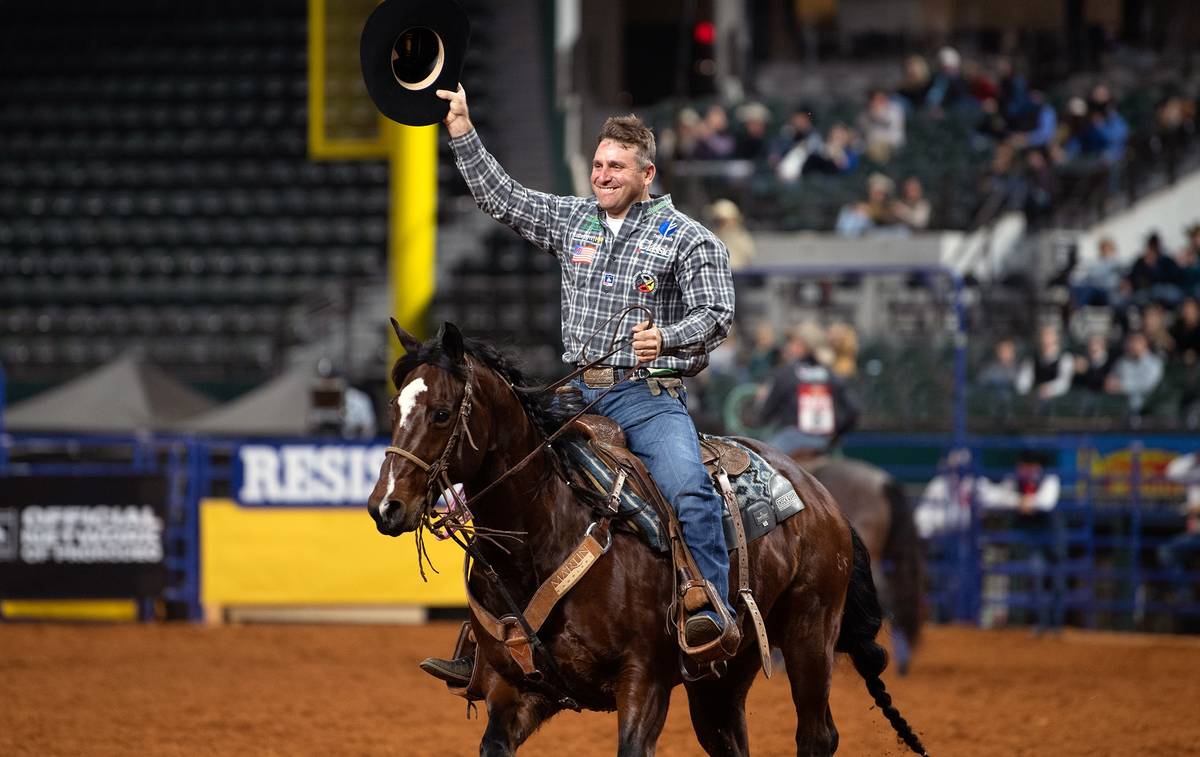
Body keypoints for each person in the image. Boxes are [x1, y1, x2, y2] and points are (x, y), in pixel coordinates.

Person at [429, 85, 738, 675]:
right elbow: (502, 198)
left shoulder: (690, 238)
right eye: (598, 165)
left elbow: (718, 315)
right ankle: (483, 642)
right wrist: (463, 127)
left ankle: (710, 612)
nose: (603, 175)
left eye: (616, 166)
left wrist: (667, 338)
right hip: (575, 391)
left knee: (691, 493)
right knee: (499, 477)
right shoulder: (575, 220)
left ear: (647, 173)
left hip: (646, 397)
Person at [754, 324, 859, 459]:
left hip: (792, 438)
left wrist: (762, 399)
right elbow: (853, 411)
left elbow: (765, 415)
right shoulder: (831, 374)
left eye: (792, 342)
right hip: (825, 441)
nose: (788, 346)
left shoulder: (786, 374)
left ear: (802, 345)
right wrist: (836, 434)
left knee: (760, 461)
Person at [1105, 330, 1164, 412]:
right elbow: (1112, 377)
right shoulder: (1123, 361)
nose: (1132, 345)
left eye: (1136, 341)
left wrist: (1122, 386)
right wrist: (1110, 382)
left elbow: (1148, 386)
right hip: (1119, 403)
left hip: (1146, 407)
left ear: (1145, 343)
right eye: (1131, 341)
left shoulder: (1154, 363)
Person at [1016, 325, 1074, 404]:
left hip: (1059, 403)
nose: (1046, 341)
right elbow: (1023, 382)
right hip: (1035, 402)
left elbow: (1063, 383)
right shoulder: (1031, 359)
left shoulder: (1066, 358)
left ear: (1056, 339)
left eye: (1049, 337)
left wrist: (1048, 389)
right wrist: (1028, 393)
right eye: (1043, 337)